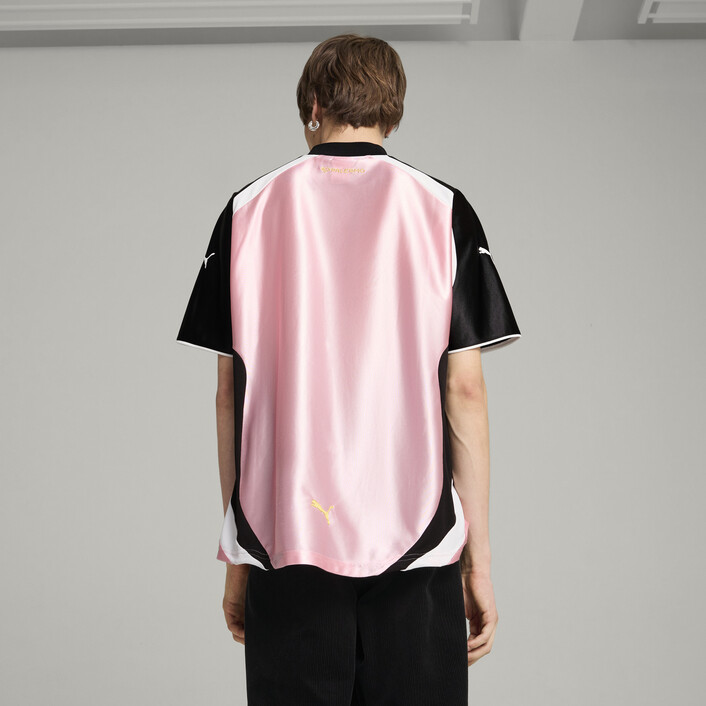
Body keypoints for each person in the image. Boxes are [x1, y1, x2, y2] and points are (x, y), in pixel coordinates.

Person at [176, 33, 520, 705]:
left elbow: (229, 396)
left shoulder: (246, 209)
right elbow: (465, 390)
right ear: (393, 111)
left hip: (287, 535)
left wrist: (240, 555)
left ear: (312, 104)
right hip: (418, 540)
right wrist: (478, 562)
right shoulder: (443, 208)